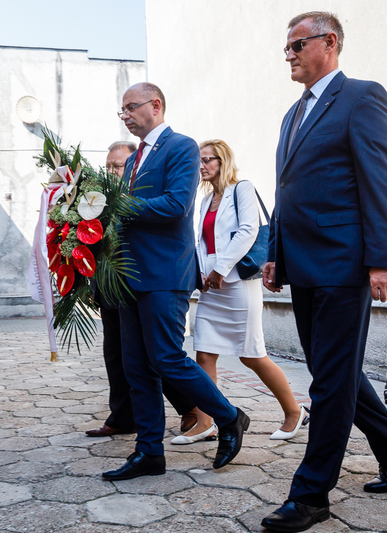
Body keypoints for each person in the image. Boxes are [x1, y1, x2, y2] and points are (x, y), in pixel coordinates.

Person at [261, 12, 387, 532]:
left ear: (329, 43)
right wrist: (274, 252)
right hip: (303, 266)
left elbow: (381, 182)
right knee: (337, 373)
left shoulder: (361, 97)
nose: (288, 54)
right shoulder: (293, 114)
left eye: (296, 45)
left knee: (328, 384)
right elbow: (287, 194)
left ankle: (311, 496)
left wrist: (383, 259)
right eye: (286, 48)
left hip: (344, 264)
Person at [102, 82, 249, 482]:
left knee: (166, 357)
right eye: (122, 111)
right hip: (130, 277)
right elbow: (124, 218)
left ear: (156, 105)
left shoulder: (180, 146)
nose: (126, 115)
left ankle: (229, 416)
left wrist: (117, 205)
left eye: (131, 107)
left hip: (165, 274)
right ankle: (149, 452)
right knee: (137, 367)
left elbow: (175, 205)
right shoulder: (134, 161)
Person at [171, 139, 308, 446]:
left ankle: (294, 411)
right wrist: (202, 272)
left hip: (237, 286)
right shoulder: (206, 200)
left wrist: (221, 268)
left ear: (223, 162)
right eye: (199, 160)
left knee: (252, 356)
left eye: (208, 160)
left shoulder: (241, 189)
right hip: (211, 286)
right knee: (204, 352)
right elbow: (200, 241)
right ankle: (205, 422)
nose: (201, 166)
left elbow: (248, 230)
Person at [86, 142, 197, 438]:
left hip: (139, 278)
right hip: (109, 284)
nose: (112, 171)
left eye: (118, 166)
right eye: (108, 166)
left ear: (133, 169)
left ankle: (196, 410)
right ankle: (124, 416)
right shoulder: (101, 198)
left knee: (157, 354)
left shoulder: (138, 193)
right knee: (118, 356)